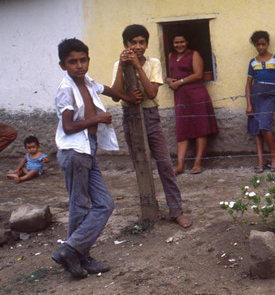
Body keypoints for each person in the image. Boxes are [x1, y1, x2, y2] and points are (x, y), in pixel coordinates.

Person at [52, 38, 142, 279]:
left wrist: (128, 98)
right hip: (74, 151)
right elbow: (69, 126)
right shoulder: (66, 89)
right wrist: (98, 119)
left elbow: (108, 90)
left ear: (88, 61)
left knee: (104, 204)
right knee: (79, 204)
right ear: (63, 65)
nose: (79, 65)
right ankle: (79, 256)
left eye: (83, 60)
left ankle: (72, 250)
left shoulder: (87, 82)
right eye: (73, 62)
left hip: (88, 149)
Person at [111, 24, 192, 228]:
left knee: (165, 164)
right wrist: (123, 68)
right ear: (125, 45)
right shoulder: (118, 65)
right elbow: (115, 94)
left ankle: (176, 210)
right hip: (130, 117)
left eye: (142, 42)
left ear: (147, 44)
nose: (138, 46)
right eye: (133, 43)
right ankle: (150, 210)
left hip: (151, 116)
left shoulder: (153, 63)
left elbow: (152, 93)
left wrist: (137, 66)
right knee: (140, 164)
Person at [165, 32, 218, 175]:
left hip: (196, 94)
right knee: (183, 128)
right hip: (181, 97)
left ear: (187, 42)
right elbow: (172, 74)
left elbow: (198, 74)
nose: (179, 45)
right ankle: (180, 165)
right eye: (176, 42)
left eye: (182, 42)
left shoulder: (194, 54)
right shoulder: (171, 56)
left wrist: (180, 82)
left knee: (200, 127)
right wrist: (170, 80)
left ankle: (198, 163)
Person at [246, 31, 275, 173]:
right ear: (255, 46)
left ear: (268, 44)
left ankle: (274, 157)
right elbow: (248, 84)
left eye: (263, 44)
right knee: (257, 128)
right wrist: (249, 104)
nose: (261, 47)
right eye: (258, 45)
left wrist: (273, 88)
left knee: (265, 125)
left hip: (269, 97)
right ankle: (260, 160)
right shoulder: (253, 62)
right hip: (255, 96)